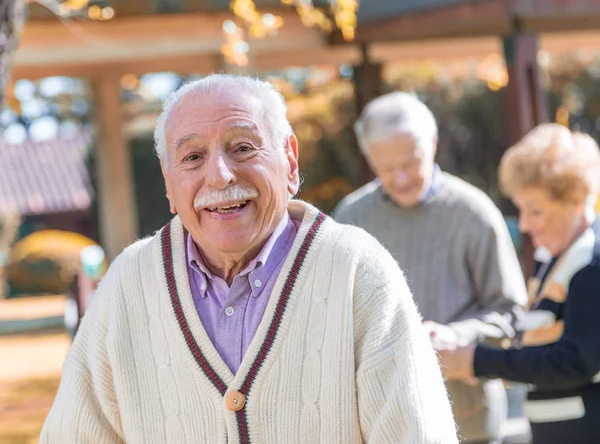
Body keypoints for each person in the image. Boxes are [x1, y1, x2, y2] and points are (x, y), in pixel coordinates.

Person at [40, 75, 458, 443]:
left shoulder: (356, 270)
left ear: (290, 161)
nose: (220, 175)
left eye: (242, 147)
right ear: (169, 183)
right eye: (192, 157)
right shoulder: (128, 284)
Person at [333, 91, 528, 444]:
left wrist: (458, 336)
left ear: (433, 144)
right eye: (387, 169)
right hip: (382, 424)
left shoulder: (473, 213)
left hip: (468, 422)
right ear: (369, 159)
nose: (402, 178)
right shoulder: (351, 218)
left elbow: (512, 314)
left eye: (410, 163)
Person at [439, 124, 600, 444]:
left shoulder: (590, 263)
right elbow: (534, 345)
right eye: (522, 209)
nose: (525, 224)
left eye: (536, 211)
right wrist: (462, 342)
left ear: (575, 199)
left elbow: (576, 360)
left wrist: (476, 361)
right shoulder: (551, 258)